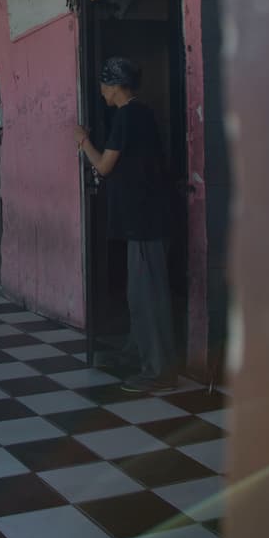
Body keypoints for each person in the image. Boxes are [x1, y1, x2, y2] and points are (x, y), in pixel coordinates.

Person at [75, 56, 178, 393]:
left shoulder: (127, 116)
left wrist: (83, 141)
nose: (102, 91)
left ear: (116, 86)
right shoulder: (140, 114)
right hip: (145, 219)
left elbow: (104, 166)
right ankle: (140, 355)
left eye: (105, 85)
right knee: (140, 295)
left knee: (148, 298)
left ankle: (159, 371)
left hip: (145, 222)